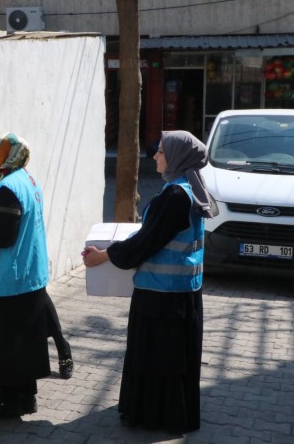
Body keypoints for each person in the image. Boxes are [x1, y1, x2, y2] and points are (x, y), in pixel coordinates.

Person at [83, 130, 213, 434]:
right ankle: (166, 415)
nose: (154, 156)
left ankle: (155, 417)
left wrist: (106, 256)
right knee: (171, 359)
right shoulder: (188, 189)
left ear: (177, 157)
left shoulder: (176, 195)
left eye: (161, 151)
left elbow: (146, 242)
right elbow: (154, 236)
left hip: (161, 298)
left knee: (157, 358)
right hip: (179, 296)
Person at [0, 127, 74, 378]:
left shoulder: (6, 184)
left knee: (28, 317)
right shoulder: (23, 178)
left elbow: (3, 234)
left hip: (11, 263)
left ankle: (61, 349)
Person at [0, 131, 53, 419]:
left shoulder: (7, 187)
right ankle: (26, 398)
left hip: (7, 279)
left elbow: (3, 236)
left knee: (5, 343)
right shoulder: (29, 180)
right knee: (24, 341)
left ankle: (7, 400)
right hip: (30, 274)